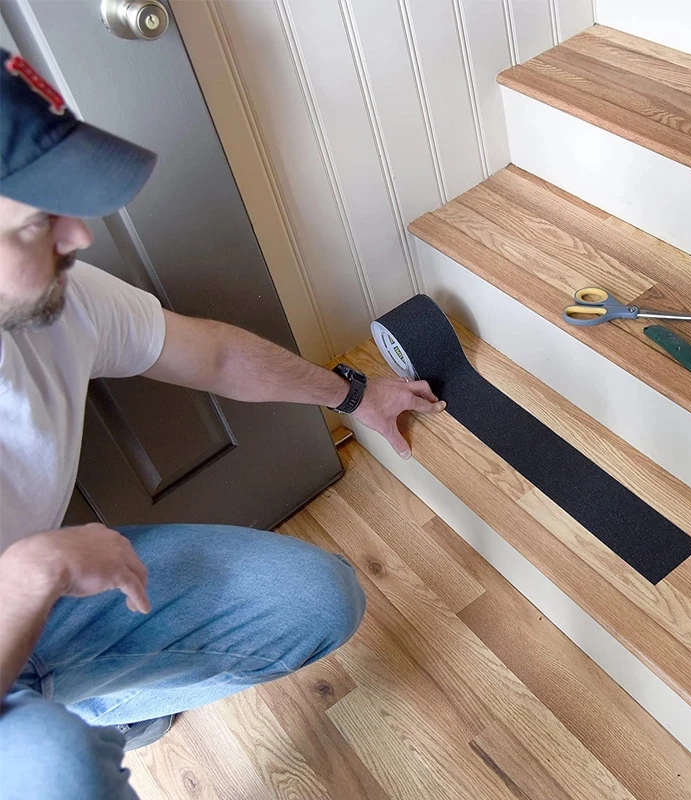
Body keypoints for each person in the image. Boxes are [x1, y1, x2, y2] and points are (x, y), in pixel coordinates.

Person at [0, 49, 446, 799]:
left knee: (317, 601)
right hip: (26, 588)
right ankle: (72, 718)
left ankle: (98, 702)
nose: (79, 236)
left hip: (43, 591)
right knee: (55, 766)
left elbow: (211, 356)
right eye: (39, 220)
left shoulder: (56, 298)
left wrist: (351, 394)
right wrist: (27, 578)